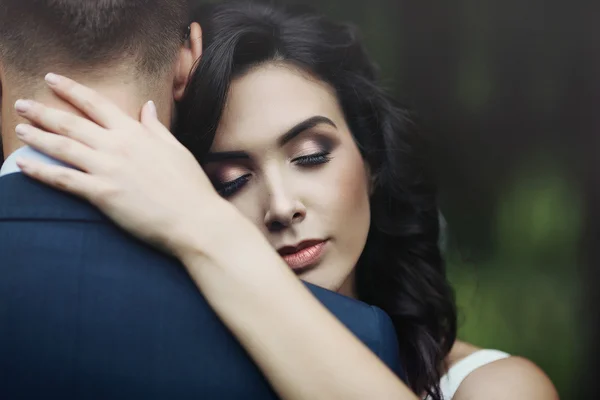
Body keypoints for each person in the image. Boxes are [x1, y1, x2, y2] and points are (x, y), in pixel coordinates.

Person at [8, 1, 559, 399]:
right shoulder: (188, 350)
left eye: (312, 155)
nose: (281, 206)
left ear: (370, 162)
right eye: (229, 180)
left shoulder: (494, 385)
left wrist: (210, 226)